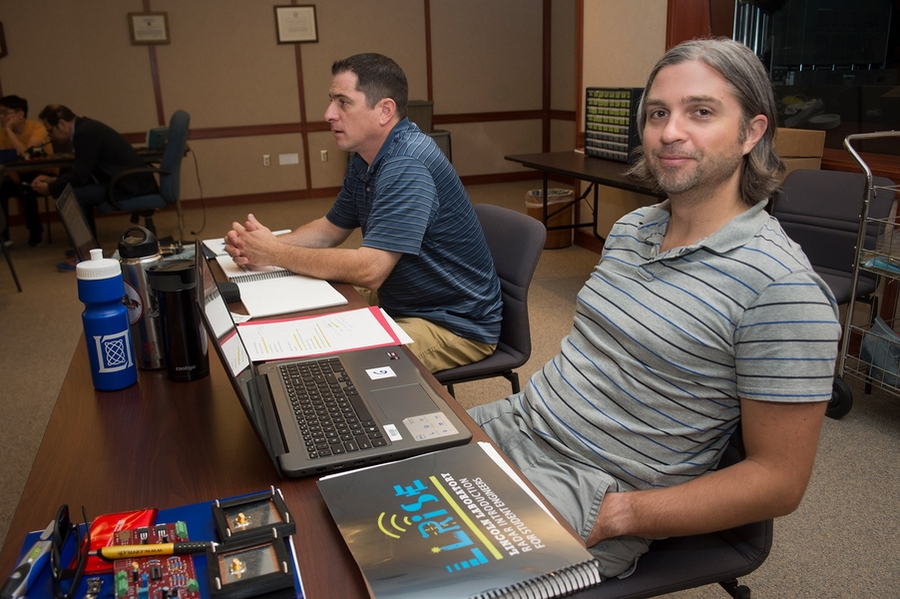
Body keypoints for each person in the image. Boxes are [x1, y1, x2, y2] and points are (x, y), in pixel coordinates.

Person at [469, 38, 842, 580]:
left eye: (702, 112)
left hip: (593, 489)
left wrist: (621, 514)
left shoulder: (781, 288)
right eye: (658, 113)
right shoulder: (631, 228)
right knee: (343, 485)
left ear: (752, 132)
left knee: (403, 581)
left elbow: (778, 481)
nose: (670, 131)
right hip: (517, 423)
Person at [225, 53, 502, 374]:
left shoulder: (407, 165)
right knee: (292, 312)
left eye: (343, 102)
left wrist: (276, 252)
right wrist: (265, 247)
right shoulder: (366, 156)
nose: (328, 114)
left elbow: (371, 270)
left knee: (332, 367)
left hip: (451, 323)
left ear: (385, 110)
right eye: (331, 101)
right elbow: (330, 229)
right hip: (402, 298)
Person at [31, 105, 158, 238]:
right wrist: (54, 180)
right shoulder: (86, 127)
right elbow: (83, 173)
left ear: (61, 124)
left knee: (75, 196)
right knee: (77, 192)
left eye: (50, 131)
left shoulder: (84, 133)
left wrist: (51, 188)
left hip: (130, 185)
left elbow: (80, 176)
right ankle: (88, 248)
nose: (50, 137)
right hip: (127, 180)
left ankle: (88, 251)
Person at [0, 95, 52, 247]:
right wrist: (16, 181)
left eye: (5, 113)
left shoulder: (37, 128)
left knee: (26, 189)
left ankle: (36, 233)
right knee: (2, 189)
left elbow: (26, 156)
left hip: (43, 172)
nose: (1, 117)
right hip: (17, 174)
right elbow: (4, 161)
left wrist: (9, 130)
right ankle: (4, 236)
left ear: (20, 114)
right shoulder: (1, 134)